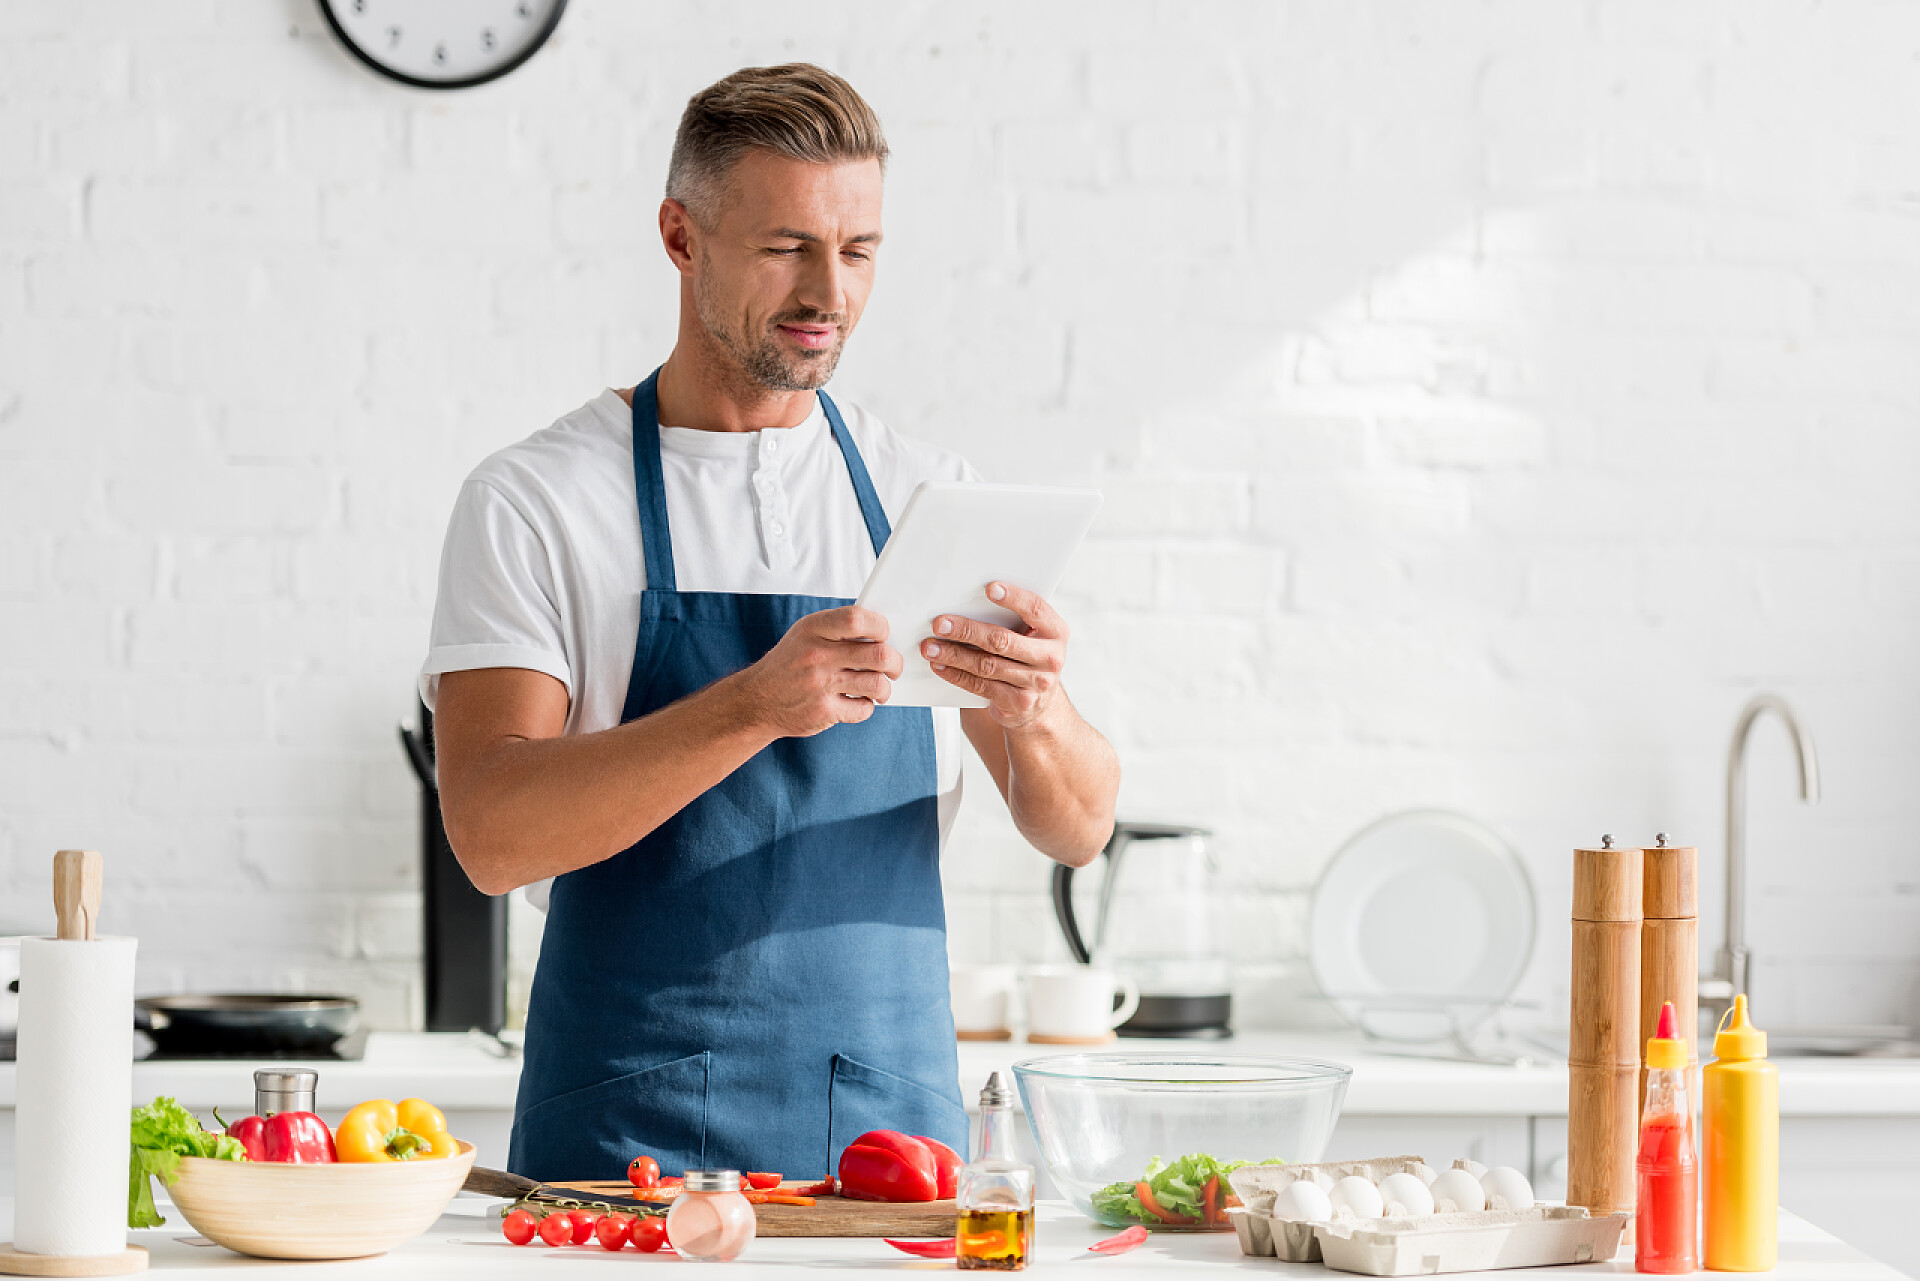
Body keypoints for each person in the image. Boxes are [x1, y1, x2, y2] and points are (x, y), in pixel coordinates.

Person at [421, 63, 1120, 1182]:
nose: (827, 294)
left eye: (858, 252)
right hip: (624, 1146)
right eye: (786, 246)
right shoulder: (536, 501)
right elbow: (492, 834)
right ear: (681, 237)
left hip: (893, 1139)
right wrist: (752, 705)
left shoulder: (925, 497)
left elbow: (1078, 830)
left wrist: (1036, 710)